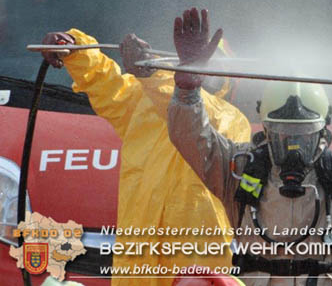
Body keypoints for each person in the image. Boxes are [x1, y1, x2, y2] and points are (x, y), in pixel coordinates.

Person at [167, 8, 332, 285]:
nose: (294, 146)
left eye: (303, 135)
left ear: (323, 132)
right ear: (266, 130)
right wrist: (187, 80)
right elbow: (188, 135)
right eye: (283, 135)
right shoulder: (240, 170)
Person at [41, 27, 251, 286]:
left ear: (226, 81)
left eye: (205, 64)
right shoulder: (144, 103)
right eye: (192, 63)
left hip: (195, 269)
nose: (200, 71)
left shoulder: (231, 119)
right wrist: (74, 49)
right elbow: (106, 83)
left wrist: (158, 76)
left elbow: (195, 113)